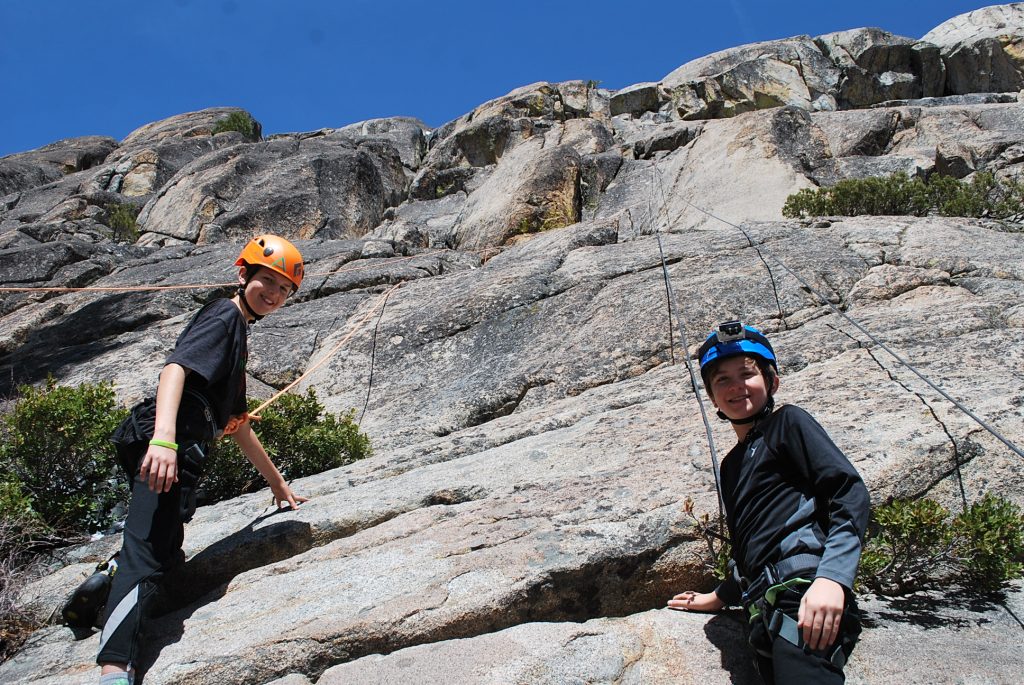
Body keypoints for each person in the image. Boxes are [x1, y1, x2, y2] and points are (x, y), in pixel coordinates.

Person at [63, 235, 310, 685]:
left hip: (180, 448)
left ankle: (110, 575)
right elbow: (175, 369)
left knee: (166, 557)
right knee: (147, 554)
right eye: (266, 281)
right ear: (244, 275)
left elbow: (239, 426)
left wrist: (278, 485)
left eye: (283, 290)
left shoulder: (238, 336)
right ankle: (115, 667)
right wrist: (163, 440)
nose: (273, 294)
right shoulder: (224, 315)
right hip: (167, 442)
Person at [667, 321, 870, 684]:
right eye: (721, 380)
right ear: (712, 398)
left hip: (804, 594)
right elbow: (749, 546)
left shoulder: (788, 423)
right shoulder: (731, 466)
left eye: (747, 374)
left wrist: (832, 579)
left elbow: (848, 492)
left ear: (772, 382)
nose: (735, 387)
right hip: (763, 608)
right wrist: (719, 595)